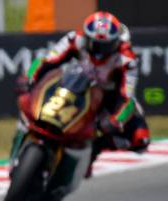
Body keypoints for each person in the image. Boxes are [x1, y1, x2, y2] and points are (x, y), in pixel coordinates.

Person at [15, 11, 149, 174]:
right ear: (86, 36)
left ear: (116, 43)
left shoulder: (127, 59)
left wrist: (115, 121)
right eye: (93, 43)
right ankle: (23, 138)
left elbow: (127, 97)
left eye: (105, 46)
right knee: (29, 100)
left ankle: (90, 152)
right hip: (72, 86)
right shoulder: (74, 38)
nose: (98, 51)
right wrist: (28, 77)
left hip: (105, 98)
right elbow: (47, 60)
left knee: (141, 138)